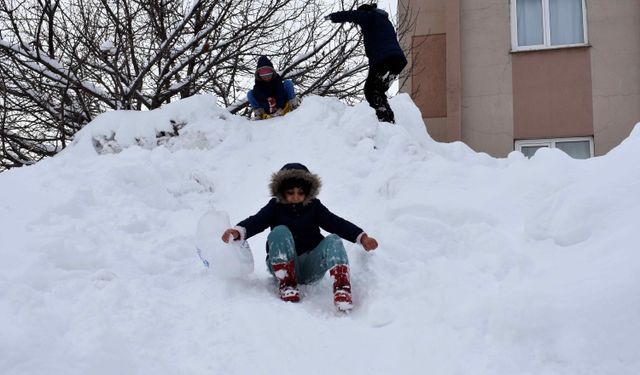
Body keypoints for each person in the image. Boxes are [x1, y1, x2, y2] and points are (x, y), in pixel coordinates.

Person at [221, 163, 378, 311]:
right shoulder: (275, 207)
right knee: (279, 231)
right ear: (281, 191)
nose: (295, 197)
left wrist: (362, 237)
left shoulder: (314, 207)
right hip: (282, 265)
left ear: (308, 192)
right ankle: (287, 284)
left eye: (300, 193)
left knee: (334, 239)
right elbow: (256, 221)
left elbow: (336, 223)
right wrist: (237, 231)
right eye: (290, 193)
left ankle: (342, 288)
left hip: (310, 266)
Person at [326, 3, 408, 124]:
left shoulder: (369, 16)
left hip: (383, 60)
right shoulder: (384, 21)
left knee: (370, 90)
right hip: (397, 62)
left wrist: (333, 16)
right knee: (378, 90)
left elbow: (352, 15)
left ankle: (384, 118)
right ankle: (389, 118)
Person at [247, 55, 299, 120]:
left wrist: (279, 106)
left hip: (281, 104)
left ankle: (293, 105)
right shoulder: (258, 83)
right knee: (250, 93)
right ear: (260, 76)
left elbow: (280, 92)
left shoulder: (276, 79)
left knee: (287, 82)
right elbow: (259, 96)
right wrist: (269, 101)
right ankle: (260, 114)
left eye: (269, 75)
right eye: (264, 77)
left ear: (272, 73)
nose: (267, 78)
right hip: (267, 108)